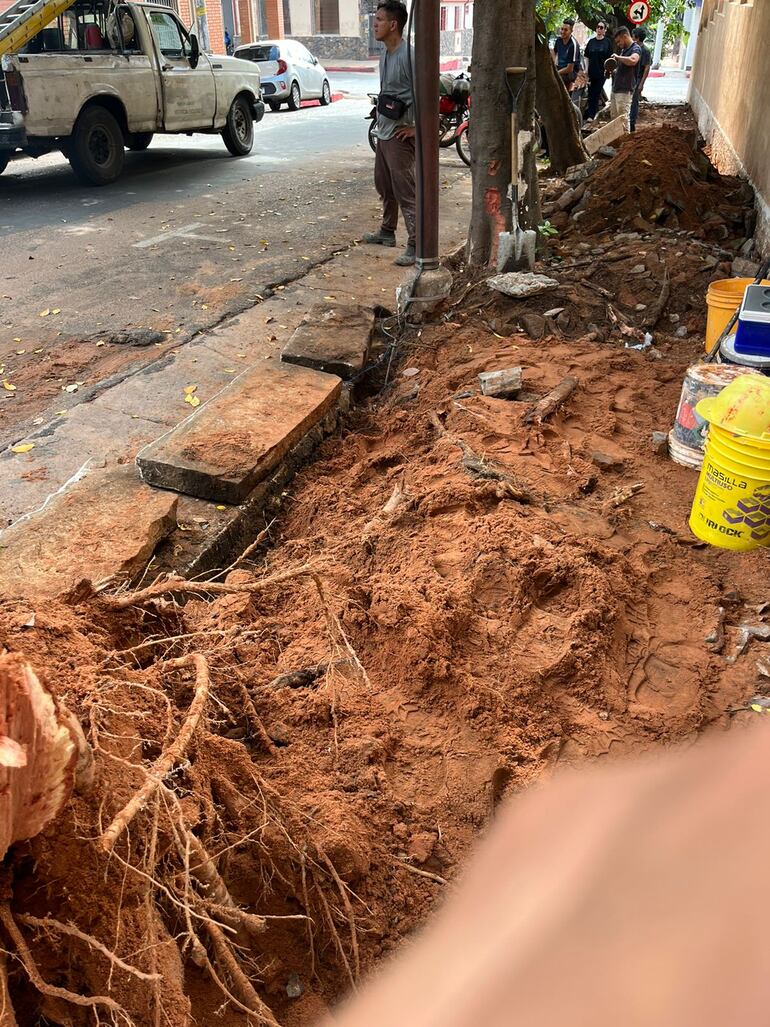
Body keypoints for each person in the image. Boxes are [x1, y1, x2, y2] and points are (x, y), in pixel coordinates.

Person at [363, 0, 416, 268]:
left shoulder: (410, 55)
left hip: (400, 134)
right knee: (384, 185)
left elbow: (430, 93)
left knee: (406, 190)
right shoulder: (385, 53)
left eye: (380, 20)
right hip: (383, 130)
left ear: (393, 24)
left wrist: (416, 128)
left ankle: (417, 244)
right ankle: (387, 231)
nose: (375, 24)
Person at [609, 25, 641, 130]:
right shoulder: (624, 50)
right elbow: (623, 68)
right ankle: (617, 142)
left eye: (619, 41)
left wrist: (617, 57)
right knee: (614, 119)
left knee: (622, 120)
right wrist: (613, 71)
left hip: (625, 89)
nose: (618, 44)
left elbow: (633, 61)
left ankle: (625, 144)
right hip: (616, 88)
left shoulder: (635, 48)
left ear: (625, 36)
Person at [584, 20, 613, 121]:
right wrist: (586, 70)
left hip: (602, 73)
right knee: (591, 93)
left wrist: (609, 71)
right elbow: (586, 56)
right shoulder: (591, 42)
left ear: (605, 30)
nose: (599, 29)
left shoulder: (607, 42)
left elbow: (610, 59)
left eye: (601, 27)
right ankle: (593, 112)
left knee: (595, 93)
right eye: (598, 27)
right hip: (591, 71)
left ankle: (591, 116)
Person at [553, 18, 582, 106]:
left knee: (557, 79)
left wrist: (556, 73)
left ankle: (563, 102)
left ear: (571, 31)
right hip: (561, 68)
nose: (562, 31)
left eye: (566, 30)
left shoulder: (573, 45)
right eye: (562, 29)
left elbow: (570, 68)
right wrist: (554, 66)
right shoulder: (558, 40)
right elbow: (554, 53)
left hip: (571, 72)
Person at [630, 26, 652, 132]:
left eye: (633, 36)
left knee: (634, 102)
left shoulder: (645, 51)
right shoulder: (633, 48)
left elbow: (647, 68)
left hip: (638, 78)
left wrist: (641, 84)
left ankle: (632, 124)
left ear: (637, 38)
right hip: (631, 77)